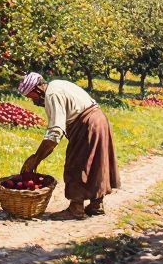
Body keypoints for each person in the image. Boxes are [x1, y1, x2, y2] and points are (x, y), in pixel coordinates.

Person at [17, 72, 120, 219]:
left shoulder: (52, 94)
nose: (33, 101)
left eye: (31, 97)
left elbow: (55, 132)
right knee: (96, 162)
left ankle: (76, 208)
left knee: (76, 164)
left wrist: (36, 158)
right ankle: (96, 204)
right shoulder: (56, 84)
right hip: (99, 120)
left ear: (37, 89)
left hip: (87, 125)